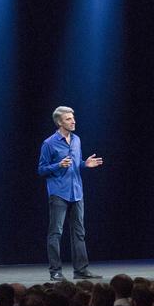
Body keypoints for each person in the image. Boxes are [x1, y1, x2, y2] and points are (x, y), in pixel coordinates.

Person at [38, 106, 103, 281]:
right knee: (56, 233)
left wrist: (84, 164)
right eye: (68, 119)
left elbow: (76, 164)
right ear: (59, 122)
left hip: (77, 192)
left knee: (79, 233)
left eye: (73, 118)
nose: (73, 121)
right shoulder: (49, 143)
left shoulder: (76, 140)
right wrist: (58, 165)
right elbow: (41, 169)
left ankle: (81, 270)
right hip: (59, 192)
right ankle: (55, 271)